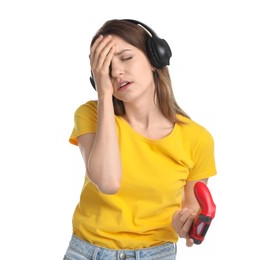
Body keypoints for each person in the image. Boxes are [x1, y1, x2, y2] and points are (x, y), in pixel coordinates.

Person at [63, 19, 217, 260]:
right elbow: (108, 182)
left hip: (156, 254)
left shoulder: (197, 139)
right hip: (88, 252)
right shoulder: (92, 115)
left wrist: (185, 224)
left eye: (126, 58)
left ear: (156, 59)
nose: (116, 72)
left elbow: (192, 209)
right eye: (106, 67)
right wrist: (104, 94)